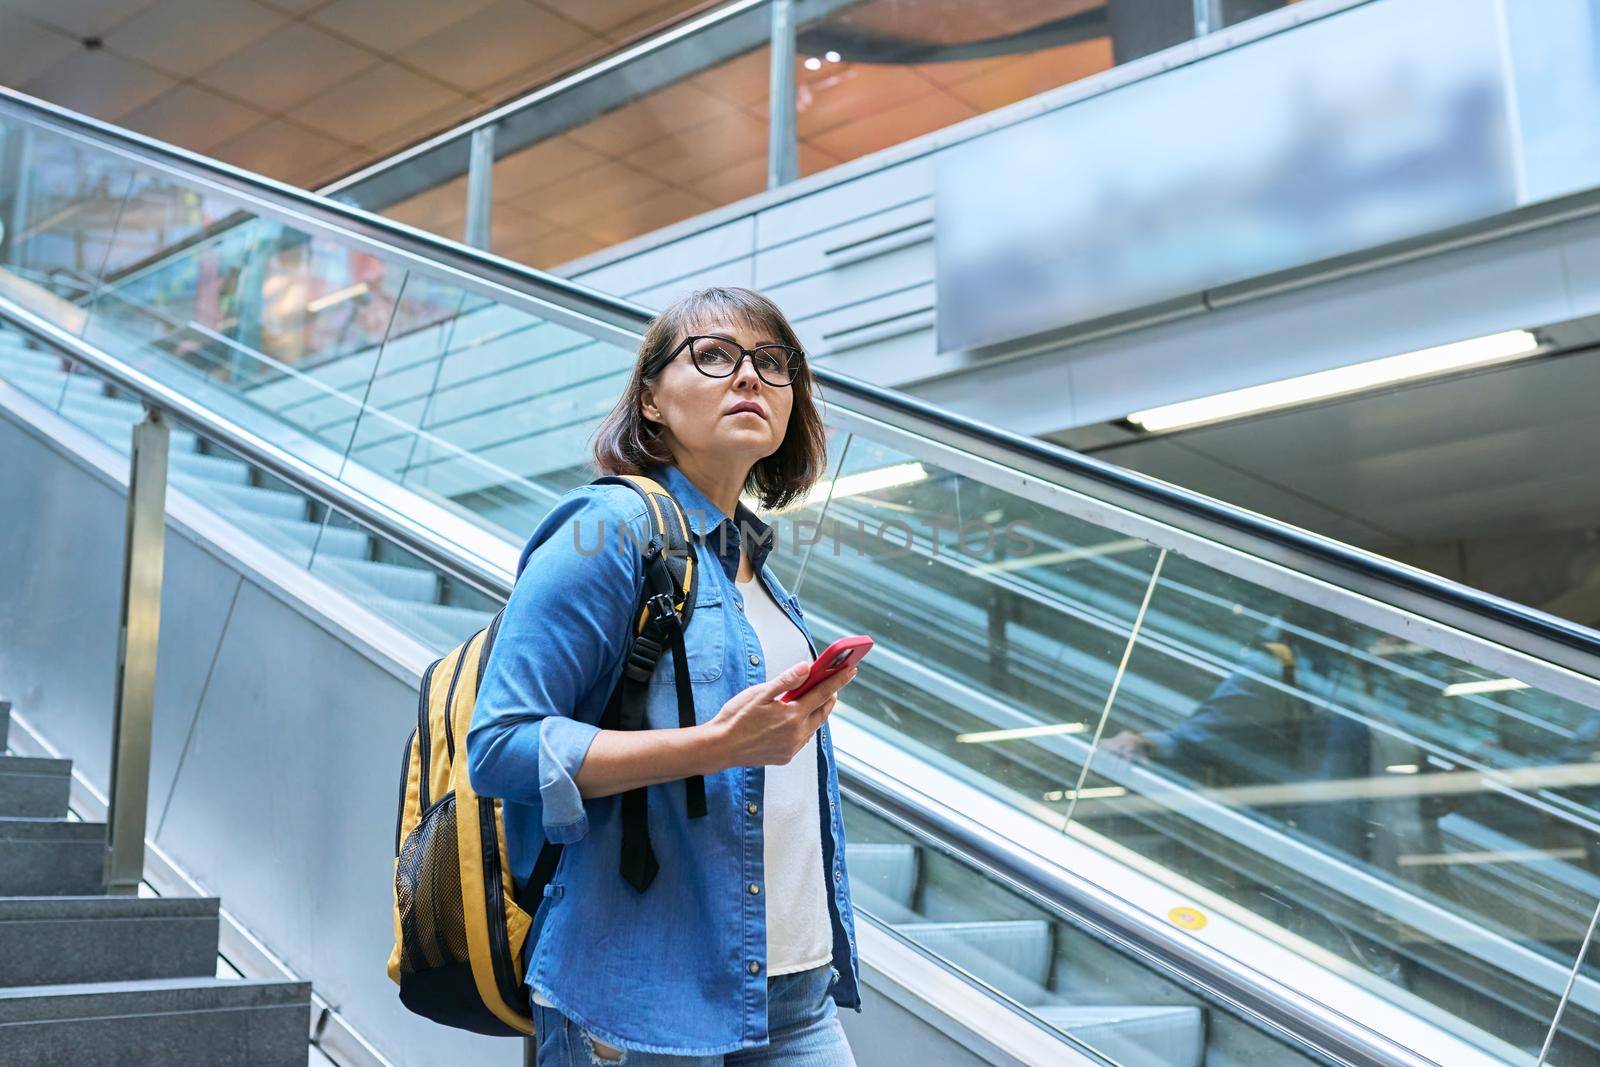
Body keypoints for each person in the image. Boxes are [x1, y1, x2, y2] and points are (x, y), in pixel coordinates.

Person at [466, 286, 862, 1065]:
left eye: (771, 362)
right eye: (713, 356)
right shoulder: (607, 529)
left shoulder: (751, 560)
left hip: (793, 989)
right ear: (650, 398)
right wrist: (714, 746)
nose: (749, 376)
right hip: (642, 993)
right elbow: (499, 745)